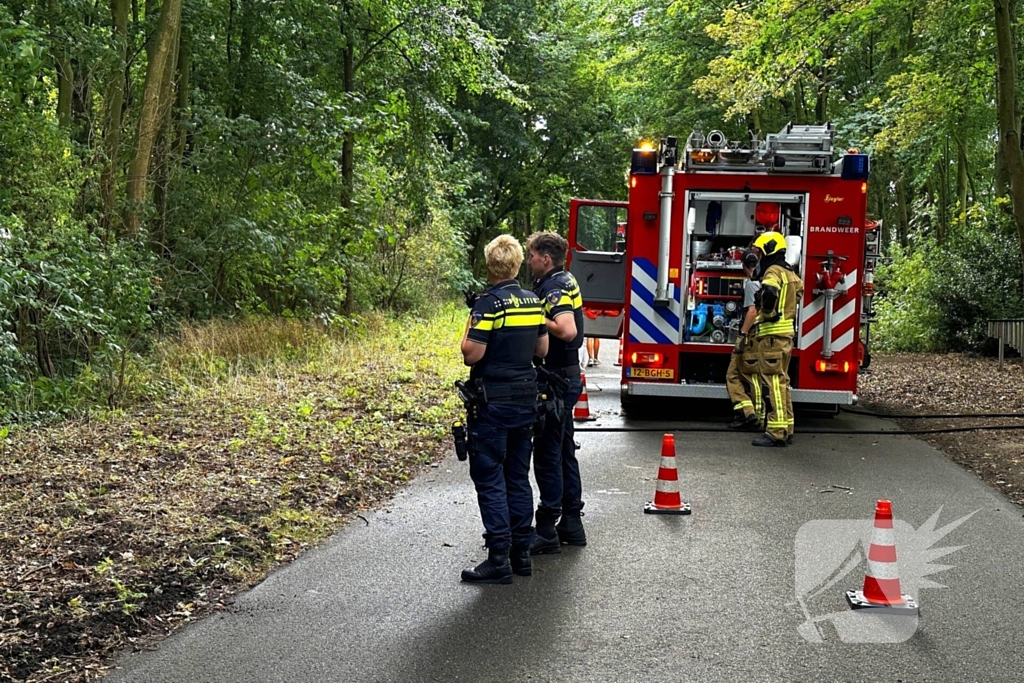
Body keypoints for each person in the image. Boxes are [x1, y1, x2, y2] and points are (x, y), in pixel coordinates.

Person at [459, 234, 549, 584]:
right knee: (517, 476)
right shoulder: (532, 301)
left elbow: (472, 354)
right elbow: (541, 349)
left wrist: (471, 322)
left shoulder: (488, 304)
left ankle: (498, 558)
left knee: (489, 477)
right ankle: (521, 553)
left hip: (493, 402)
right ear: (515, 264)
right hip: (526, 401)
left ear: (490, 265)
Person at [525, 231, 586, 553]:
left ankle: (547, 528)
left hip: (557, 381)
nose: (529, 260)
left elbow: (567, 329)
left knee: (548, 455)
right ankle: (572, 523)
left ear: (545, 258)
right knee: (563, 450)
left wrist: (535, 315)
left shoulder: (554, 286)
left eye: (532, 255)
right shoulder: (564, 279)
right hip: (566, 377)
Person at [748, 231, 804, 447]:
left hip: (772, 336)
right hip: (785, 336)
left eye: (761, 252)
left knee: (773, 384)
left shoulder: (773, 271)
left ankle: (776, 432)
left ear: (769, 250)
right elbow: (799, 292)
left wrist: (768, 312)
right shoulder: (791, 273)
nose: (759, 256)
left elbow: (770, 292)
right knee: (782, 382)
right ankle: (786, 427)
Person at [725, 250, 763, 430]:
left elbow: (752, 311)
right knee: (754, 376)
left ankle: (747, 413)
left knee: (733, 374)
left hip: (751, 337)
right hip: (765, 337)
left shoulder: (752, 284)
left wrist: (742, 334)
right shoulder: (770, 280)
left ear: (743, 265)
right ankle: (752, 414)